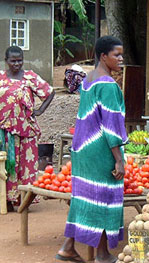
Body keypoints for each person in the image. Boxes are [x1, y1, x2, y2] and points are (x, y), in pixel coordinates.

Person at [56, 36, 127, 263]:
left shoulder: (88, 80)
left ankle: (68, 247)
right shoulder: (107, 85)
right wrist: (119, 159)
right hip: (100, 152)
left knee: (83, 198)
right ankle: (102, 254)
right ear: (103, 56)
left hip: (83, 149)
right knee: (104, 198)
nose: (122, 59)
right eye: (117, 55)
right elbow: (111, 125)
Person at [0, 46, 55, 211]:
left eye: (19, 60)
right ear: (6, 61)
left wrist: (39, 110)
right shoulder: (1, 78)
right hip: (5, 132)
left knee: (25, 168)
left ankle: (24, 201)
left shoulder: (30, 77)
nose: (17, 64)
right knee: (8, 167)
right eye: (13, 61)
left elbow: (49, 92)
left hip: (26, 132)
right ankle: (7, 200)